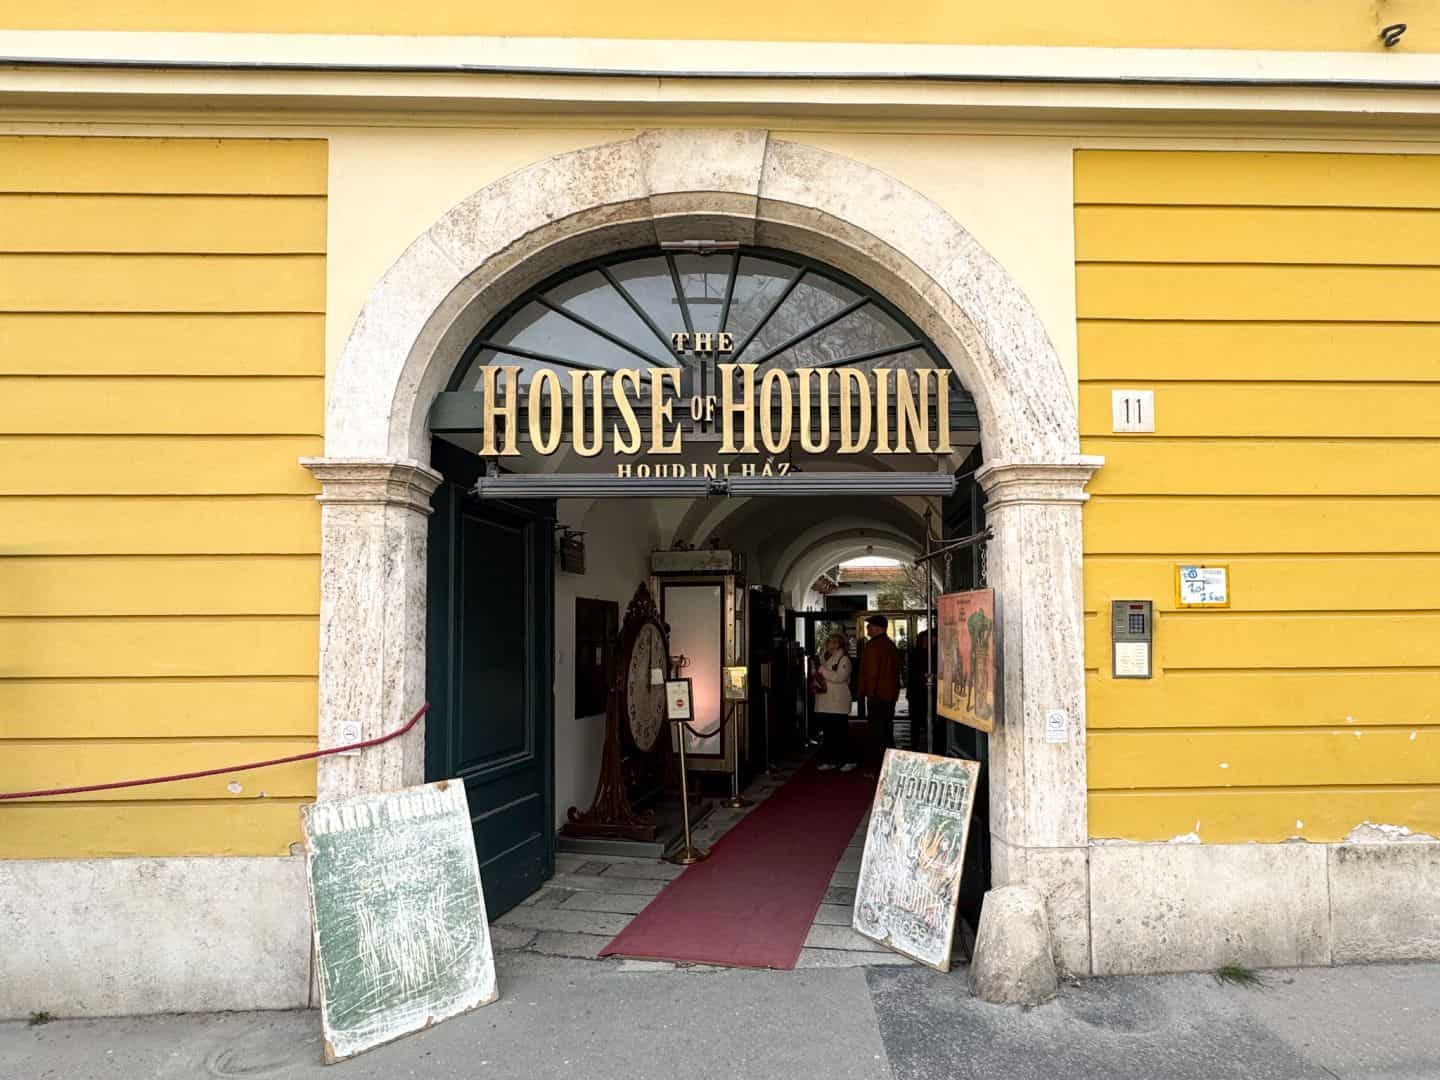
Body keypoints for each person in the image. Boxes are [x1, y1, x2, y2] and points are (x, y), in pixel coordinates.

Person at [857, 614, 900, 766]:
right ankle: (891, 763)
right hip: (889, 694)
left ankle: (878, 766)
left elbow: (871, 671)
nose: (867, 629)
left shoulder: (873, 646)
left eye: (869, 626)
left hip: (877, 694)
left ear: (878, 628)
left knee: (877, 731)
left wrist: (867, 692)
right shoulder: (890, 644)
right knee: (886, 729)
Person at [812, 633, 856, 772]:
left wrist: (822, 670)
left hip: (837, 703)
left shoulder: (844, 660)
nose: (828, 644)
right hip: (825, 702)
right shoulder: (826, 658)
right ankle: (830, 760)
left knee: (840, 734)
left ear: (838, 644)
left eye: (831, 642)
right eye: (828, 642)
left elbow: (840, 677)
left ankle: (846, 760)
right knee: (829, 734)